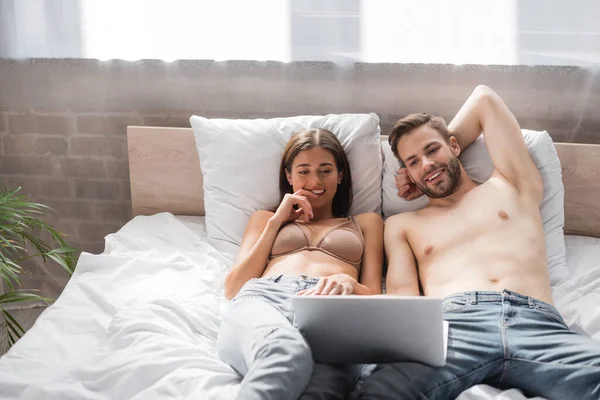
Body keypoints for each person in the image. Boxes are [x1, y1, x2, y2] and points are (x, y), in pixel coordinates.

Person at [357, 86, 600, 400]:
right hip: (455, 327)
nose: (427, 164)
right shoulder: (403, 225)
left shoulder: (511, 184)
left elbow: (484, 99)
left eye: (432, 150)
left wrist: (436, 153)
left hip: (536, 322)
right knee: (377, 389)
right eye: (413, 162)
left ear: (455, 145)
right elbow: (406, 304)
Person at [217, 128, 384, 400]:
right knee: (283, 350)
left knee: (324, 387)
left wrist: (350, 283)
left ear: (340, 175)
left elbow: (376, 296)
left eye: (325, 170)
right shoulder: (264, 218)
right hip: (265, 298)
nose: (314, 180)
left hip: (333, 306)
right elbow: (234, 287)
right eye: (303, 171)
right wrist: (277, 221)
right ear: (289, 175)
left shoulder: (367, 223)